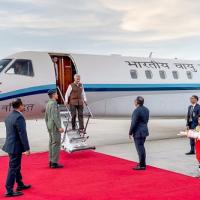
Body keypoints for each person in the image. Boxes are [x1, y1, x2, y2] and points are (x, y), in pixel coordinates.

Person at [2, 98, 31, 197]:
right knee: (13, 167)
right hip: (15, 147)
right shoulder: (19, 117)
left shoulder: (9, 116)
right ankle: (9, 190)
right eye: (23, 105)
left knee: (16, 166)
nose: (24, 106)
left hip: (11, 146)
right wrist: (27, 148)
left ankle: (20, 184)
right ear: (19, 106)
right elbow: (22, 134)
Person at [45, 89, 64, 168]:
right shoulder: (53, 103)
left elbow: (46, 117)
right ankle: (54, 163)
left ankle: (51, 160)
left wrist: (47, 125)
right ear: (53, 95)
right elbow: (54, 116)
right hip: (54, 126)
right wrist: (59, 127)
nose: (57, 95)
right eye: (56, 94)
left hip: (50, 125)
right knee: (56, 144)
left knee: (51, 143)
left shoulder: (48, 103)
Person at [129, 96, 149, 170]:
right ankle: (142, 163)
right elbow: (146, 121)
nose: (134, 102)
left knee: (140, 149)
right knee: (142, 148)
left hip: (138, 132)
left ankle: (142, 165)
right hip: (144, 131)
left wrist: (130, 132)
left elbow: (133, 123)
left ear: (137, 102)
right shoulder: (146, 109)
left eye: (135, 101)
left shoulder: (136, 111)